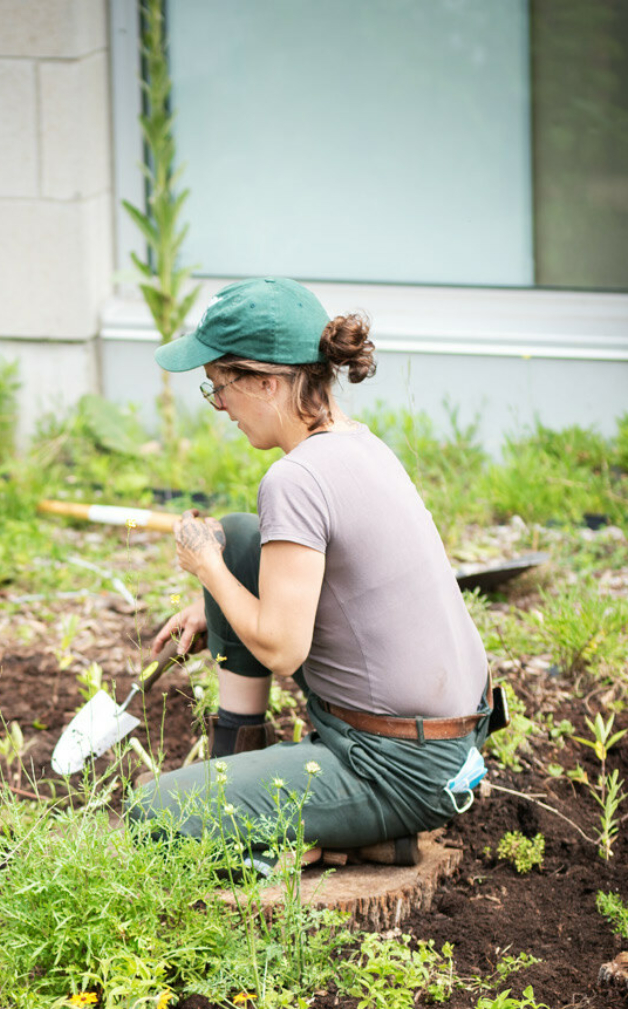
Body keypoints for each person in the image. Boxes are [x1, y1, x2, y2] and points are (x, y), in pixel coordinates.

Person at [127, 276, 493, 861]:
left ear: (266, 383)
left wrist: (207, 568)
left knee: (152, 813)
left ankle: (300, 837)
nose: (219, 406)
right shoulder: (361, 444)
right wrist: (214, 598)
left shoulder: (294, 479)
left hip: (396, 765)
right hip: (453, 740)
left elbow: (281, 649)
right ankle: (252, 779)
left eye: (219, 386)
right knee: (239, 537)